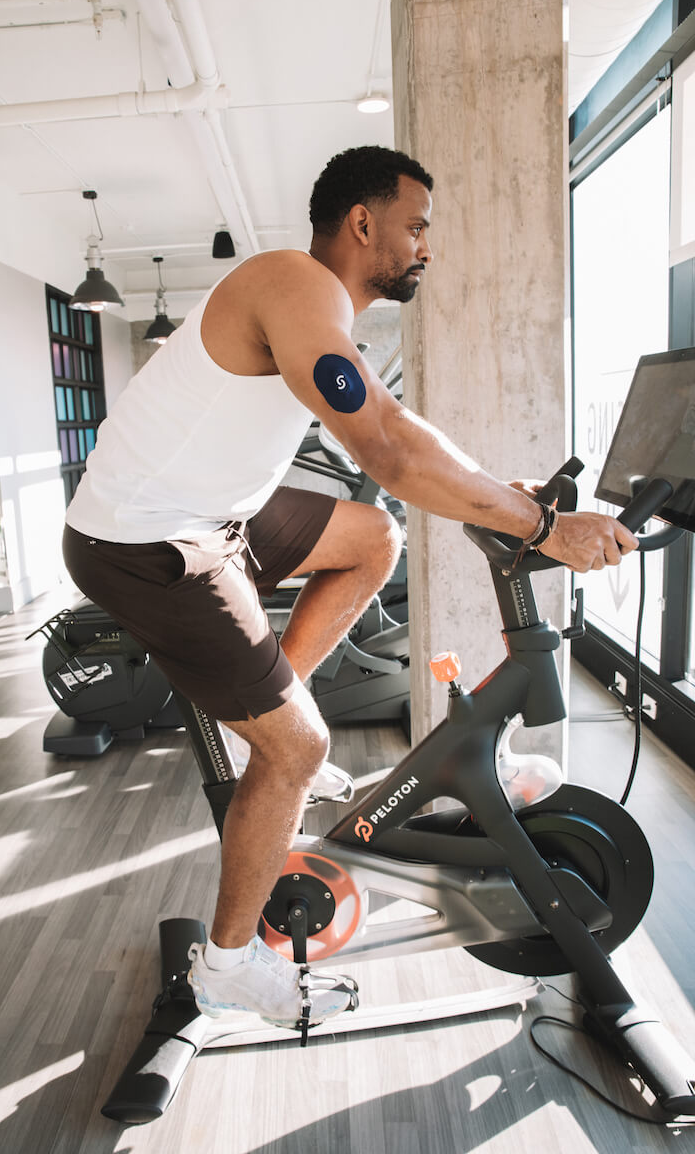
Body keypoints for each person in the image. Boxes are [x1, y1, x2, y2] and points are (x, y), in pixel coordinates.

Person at [62, 145, 637, 1032]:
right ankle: (226, 967)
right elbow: (389, 451)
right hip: (146, 543)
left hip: (217, 514)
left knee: (373, 536)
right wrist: (547, 529)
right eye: (417, 227)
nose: (425, 248)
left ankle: (257, 712)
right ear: (363, 224)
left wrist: (497, 490)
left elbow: (396, 423)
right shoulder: (295, 284)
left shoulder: (322, 308)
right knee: (297, 749)